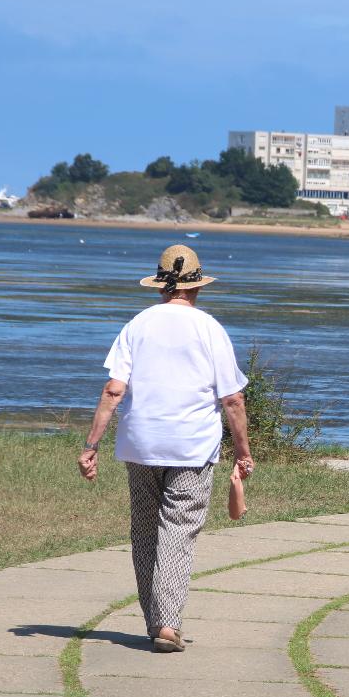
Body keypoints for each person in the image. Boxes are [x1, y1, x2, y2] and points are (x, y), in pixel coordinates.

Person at [78, 244, 253, 653]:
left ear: (159, 285)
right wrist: (243, 451)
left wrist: (91, 444)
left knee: (144, 531)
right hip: (191, 448)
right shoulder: (210, 328)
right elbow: (233, 400)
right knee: (178, 530)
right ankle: (167, 624)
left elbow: (113, 389)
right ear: (197, 287)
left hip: (140, 444)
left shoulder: (137, 325)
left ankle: (154, 621)